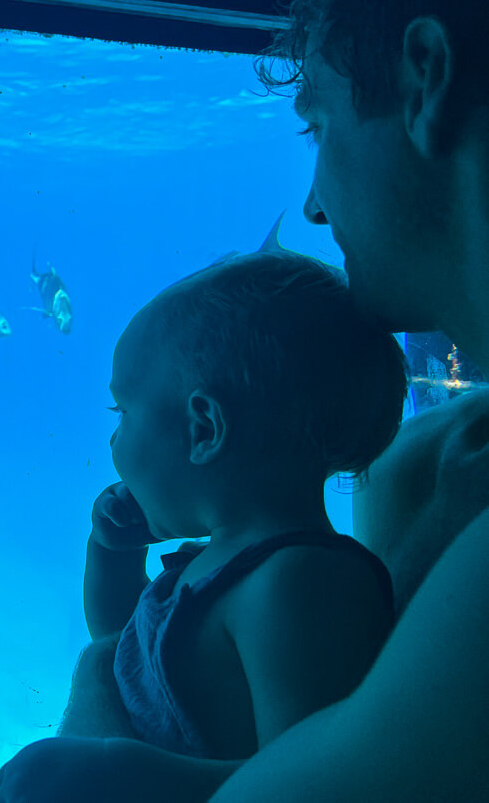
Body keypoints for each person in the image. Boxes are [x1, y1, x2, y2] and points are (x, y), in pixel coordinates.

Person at [0, 0, 489, 799]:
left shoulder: (316, 567)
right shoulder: (439, 464)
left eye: (320, 125)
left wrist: (94, 740)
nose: (315, 206)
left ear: (424, 79)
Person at [60, 249, 403, 766]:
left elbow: (311, 782)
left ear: (204, 429)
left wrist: (130, 778)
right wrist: (112, 551)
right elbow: (124, 650)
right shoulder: (215, 564)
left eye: (123, 411)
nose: (113, 441)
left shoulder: (299, 583)